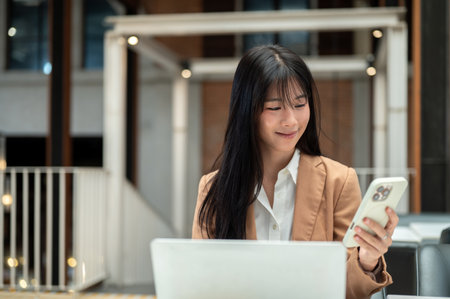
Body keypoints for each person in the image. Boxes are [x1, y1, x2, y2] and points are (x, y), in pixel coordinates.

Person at [192, 44, 397, 299]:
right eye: (275, 108)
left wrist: (368, 259)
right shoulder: (214, 188)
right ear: (247, 111)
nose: (291, 120)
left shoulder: (339, 182)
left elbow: (347, 291)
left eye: (300, 104)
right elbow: (200, 283)